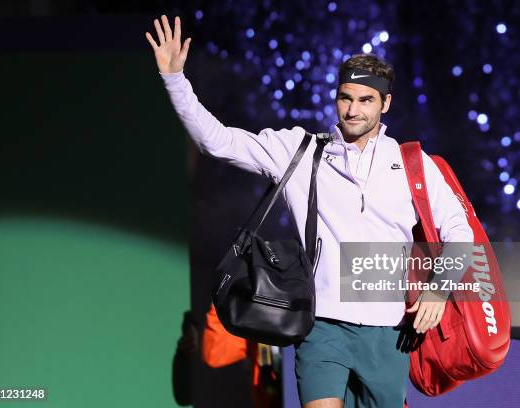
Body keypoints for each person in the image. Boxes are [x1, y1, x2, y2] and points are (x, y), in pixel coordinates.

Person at [145, 15, 473, 408]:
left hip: (388, 333)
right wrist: (175, 80)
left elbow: (460, 231)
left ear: (385, 103)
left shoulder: (414, 165)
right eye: (345, 97)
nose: (352, 110)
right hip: (321, 327)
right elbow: (217, 141)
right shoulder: (300, 151)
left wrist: (439, 288)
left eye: (365, 100)